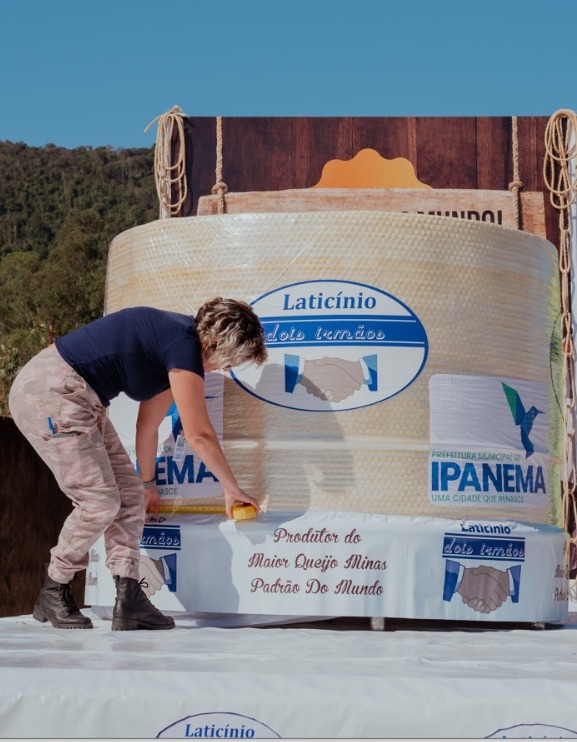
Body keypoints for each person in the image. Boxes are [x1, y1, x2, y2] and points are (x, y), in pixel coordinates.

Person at [8, 298, 268, 631]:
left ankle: (129, 597)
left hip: (81, 399)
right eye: (231, 361)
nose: (225, 369)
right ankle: (53, 587)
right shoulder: (183, 344)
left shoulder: (173, 347)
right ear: (218, 344)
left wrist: (147, 485)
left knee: (129, 493)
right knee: (98, 502)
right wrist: (232, 490)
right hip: (51, 392)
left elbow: (147, 425)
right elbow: (199, 434)